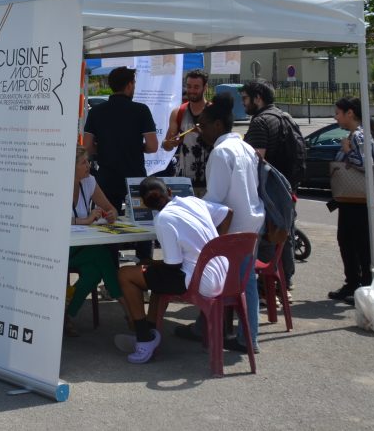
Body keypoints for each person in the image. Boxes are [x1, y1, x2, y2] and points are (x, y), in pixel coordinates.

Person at [115, 176, 233, 364]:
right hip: (223, 274)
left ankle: (143, 338)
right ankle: (151, 331)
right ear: (169, 192)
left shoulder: (163, 219)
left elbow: (172, 265)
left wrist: (150, 264)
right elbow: (228, 213)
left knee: (125, 275)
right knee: (153, 278)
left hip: (199, 280)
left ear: (145, 204)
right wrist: (218, 242)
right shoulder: (193, 202)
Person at [188, 92, 265, 354]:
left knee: (223, 278)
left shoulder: (221, 153)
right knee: (246, 281)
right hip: (251, 223)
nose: (200, 132)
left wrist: (188, 208)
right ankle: (244, 335)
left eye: (204, 126)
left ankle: (242, 336)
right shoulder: (245, 147)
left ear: (218, 125)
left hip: (231, 228)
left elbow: (215, 199)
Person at [242, 79, 302, 288]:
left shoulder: (260, 122)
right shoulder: (286, 117)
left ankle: (269, 286)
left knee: (269, 238)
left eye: (245, 99)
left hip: (269, 191)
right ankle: (285, 282)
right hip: (288, 188)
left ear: (257, 98)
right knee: (285, 236)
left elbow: (256, 159)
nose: (243, 104)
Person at [327, 96, 374, 305]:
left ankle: (361, 285)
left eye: (338, 113)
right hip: (354, 199)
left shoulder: (358, 136)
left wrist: (346, 152)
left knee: (355, 243)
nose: (336, 117)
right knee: (349, 241)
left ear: (349, 113)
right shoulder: (359, 135)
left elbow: (364, 164)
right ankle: (354, 283)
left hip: (357, 200)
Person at [82, 66, 159, 217]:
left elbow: (87, 146)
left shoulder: (96, 112)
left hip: (107, 177)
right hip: (135, 176)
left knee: (108, 223)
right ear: (130, 85)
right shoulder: (141, 110)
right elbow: (152, 146)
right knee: (140, 220)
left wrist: (106, 147)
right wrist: (135, 147)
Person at [65, 145, 121, 336]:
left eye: (88, 161)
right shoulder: (57, 184)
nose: (88, 165)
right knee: (101, 254)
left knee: (93, 272)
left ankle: (67, 316)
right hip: (60, 249)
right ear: (70, 167)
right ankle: (120, 298)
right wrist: (85, 220)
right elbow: (52, 219)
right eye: (83, 162)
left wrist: (111, 214)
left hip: (81, 247)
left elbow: (111, 208)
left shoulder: (89, 181)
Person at [161, 69, 210, 194]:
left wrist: (204, 134)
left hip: (210, 180)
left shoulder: (213, 112)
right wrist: (170, 143)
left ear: (205, 88)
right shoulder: (178, 112)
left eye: (196, 87)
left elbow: (224, 143)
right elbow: (166, 145)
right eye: (189, 86)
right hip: (184, 180)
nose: (192, 90)